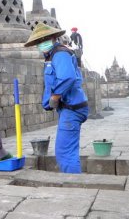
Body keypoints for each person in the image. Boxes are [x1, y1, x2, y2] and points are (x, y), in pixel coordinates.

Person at [24, 22, 89, 174]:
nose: (41, 44)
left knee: (64, 154)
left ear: (53, 38)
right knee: (69, 152)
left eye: (44, 40)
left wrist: (55, 96)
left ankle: (74, 186)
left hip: (72, 108)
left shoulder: (59, 53)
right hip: (69, 108)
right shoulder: (51, 57)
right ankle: (75, 181)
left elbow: (67, 77)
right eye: (38, 42)